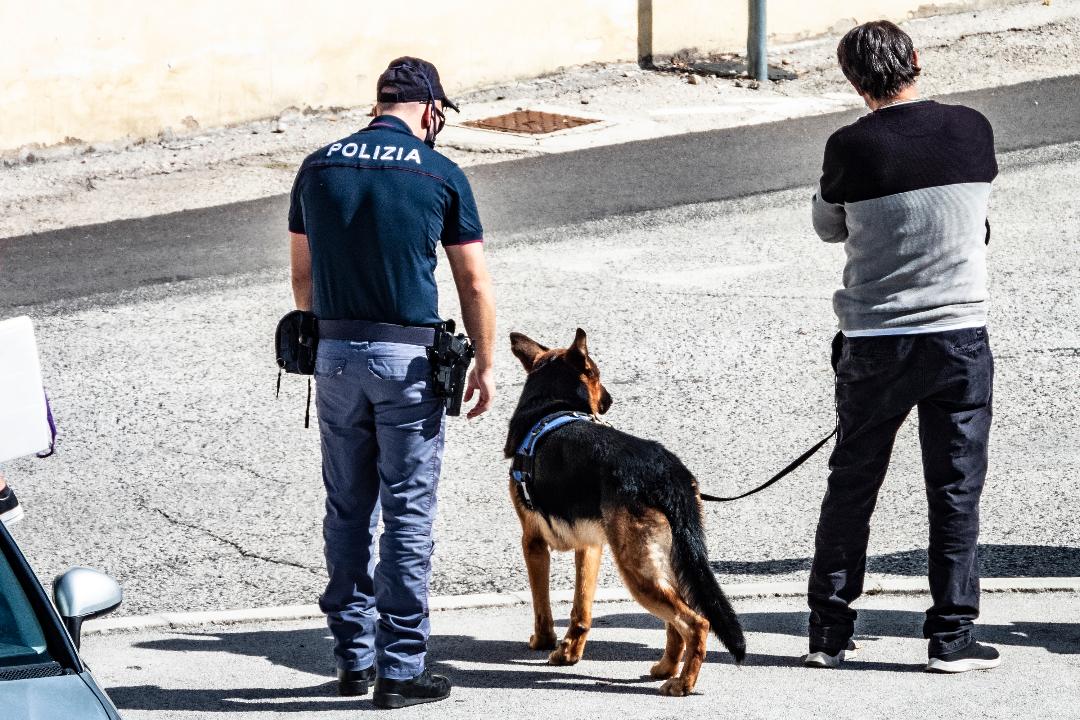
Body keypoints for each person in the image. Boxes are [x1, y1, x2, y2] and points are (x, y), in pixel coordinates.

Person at [288, 57, 495, 709]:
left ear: (379, 104)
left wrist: (328, 334)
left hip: (334, 353)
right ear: (431, 110)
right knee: (407, 510)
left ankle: (353, 660)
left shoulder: (317, 167)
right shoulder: (439, 171)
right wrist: (486, 362)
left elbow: (302, 277)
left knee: (348, 508)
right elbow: (474, 282)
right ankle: (400, 669)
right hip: (407, 362)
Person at [805, 21, 999, 673]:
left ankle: (829, 633)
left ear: (854, 83)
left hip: (873, 341)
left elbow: (827, 227)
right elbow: (978, 218)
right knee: (954, 488)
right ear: (917, 60)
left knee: (852, 483)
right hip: (957, 339)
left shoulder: (847, 147)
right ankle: (951, 639)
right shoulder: (971, 129)